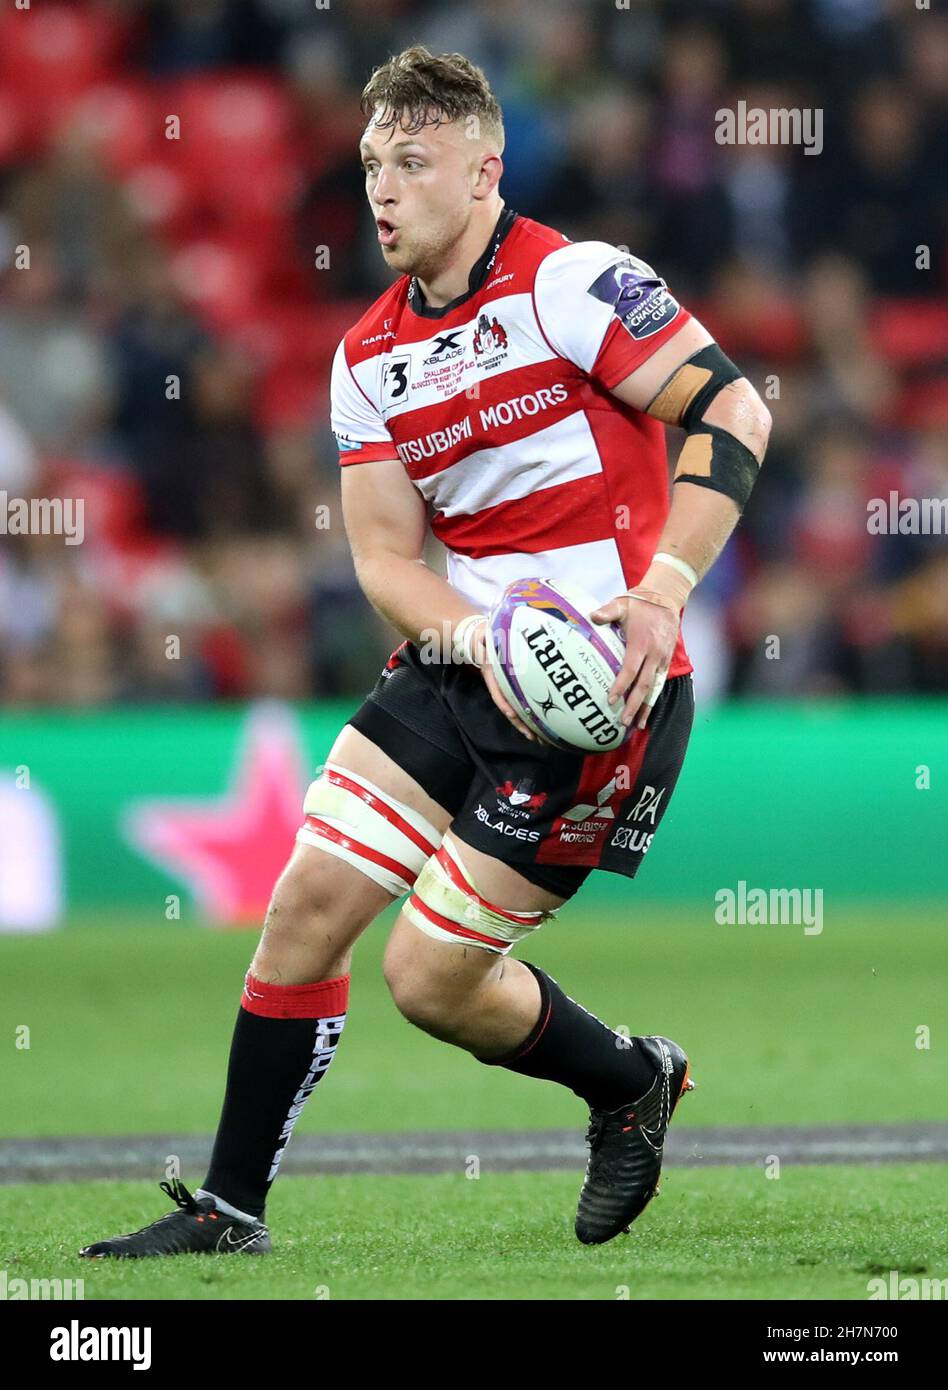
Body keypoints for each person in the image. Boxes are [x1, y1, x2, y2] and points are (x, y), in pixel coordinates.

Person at [80, 45, 771, 1259]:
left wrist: (663, 592)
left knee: (429, 980)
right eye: (369, 167)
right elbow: (387, 560)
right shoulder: (367, 358)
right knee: (300, 911)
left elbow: (733, 411)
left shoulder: (575, 284)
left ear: (485, 169)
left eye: (412, 162)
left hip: (601, 693)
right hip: (463, 667)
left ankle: (626, 1082)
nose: (383, 191)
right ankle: (233, 1214)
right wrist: (474, 634)